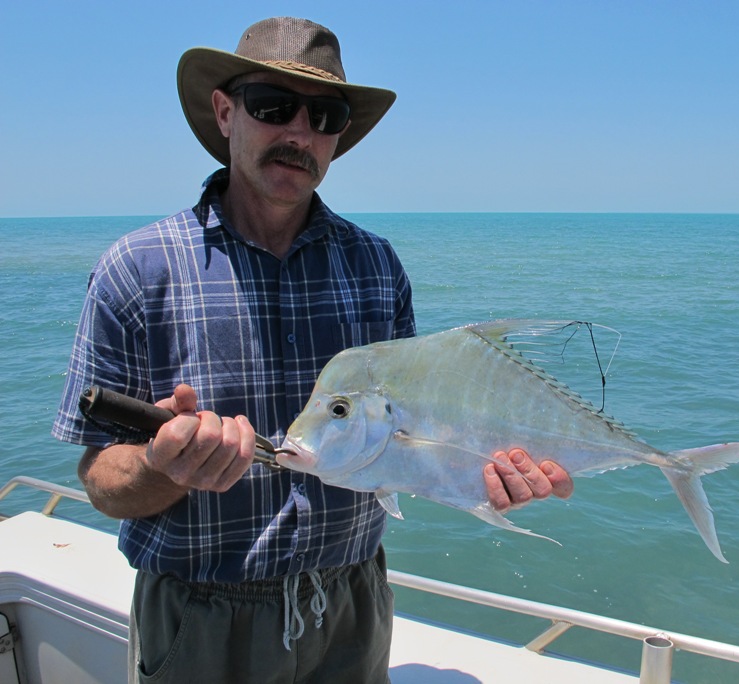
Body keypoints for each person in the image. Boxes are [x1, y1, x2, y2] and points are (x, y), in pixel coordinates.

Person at [52, 16, 573, 684]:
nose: (298, 133)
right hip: (200, 620)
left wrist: (486, 478)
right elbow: (100, 480)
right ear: (224, 112)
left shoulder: (376, 267)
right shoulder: (137, 270)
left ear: (336, 139)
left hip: (354, 609)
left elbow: (413, 437)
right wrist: (162, 464)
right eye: (273, 107)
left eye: (323, 116)